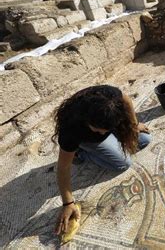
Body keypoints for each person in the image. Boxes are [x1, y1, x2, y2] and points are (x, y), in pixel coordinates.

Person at [51, 85, 151, 235]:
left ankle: (109, 139)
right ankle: (80, 152)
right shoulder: (71, 128)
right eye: (98, 129)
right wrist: (68, 202)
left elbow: (127, 101)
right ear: (88, 121)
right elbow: (63, 167)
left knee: (144, 139)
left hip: (107, 121)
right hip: (87, 139)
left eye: (106, 129)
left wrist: (134, 125)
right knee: (123, 163)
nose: (102, 132)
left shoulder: (110, 97)